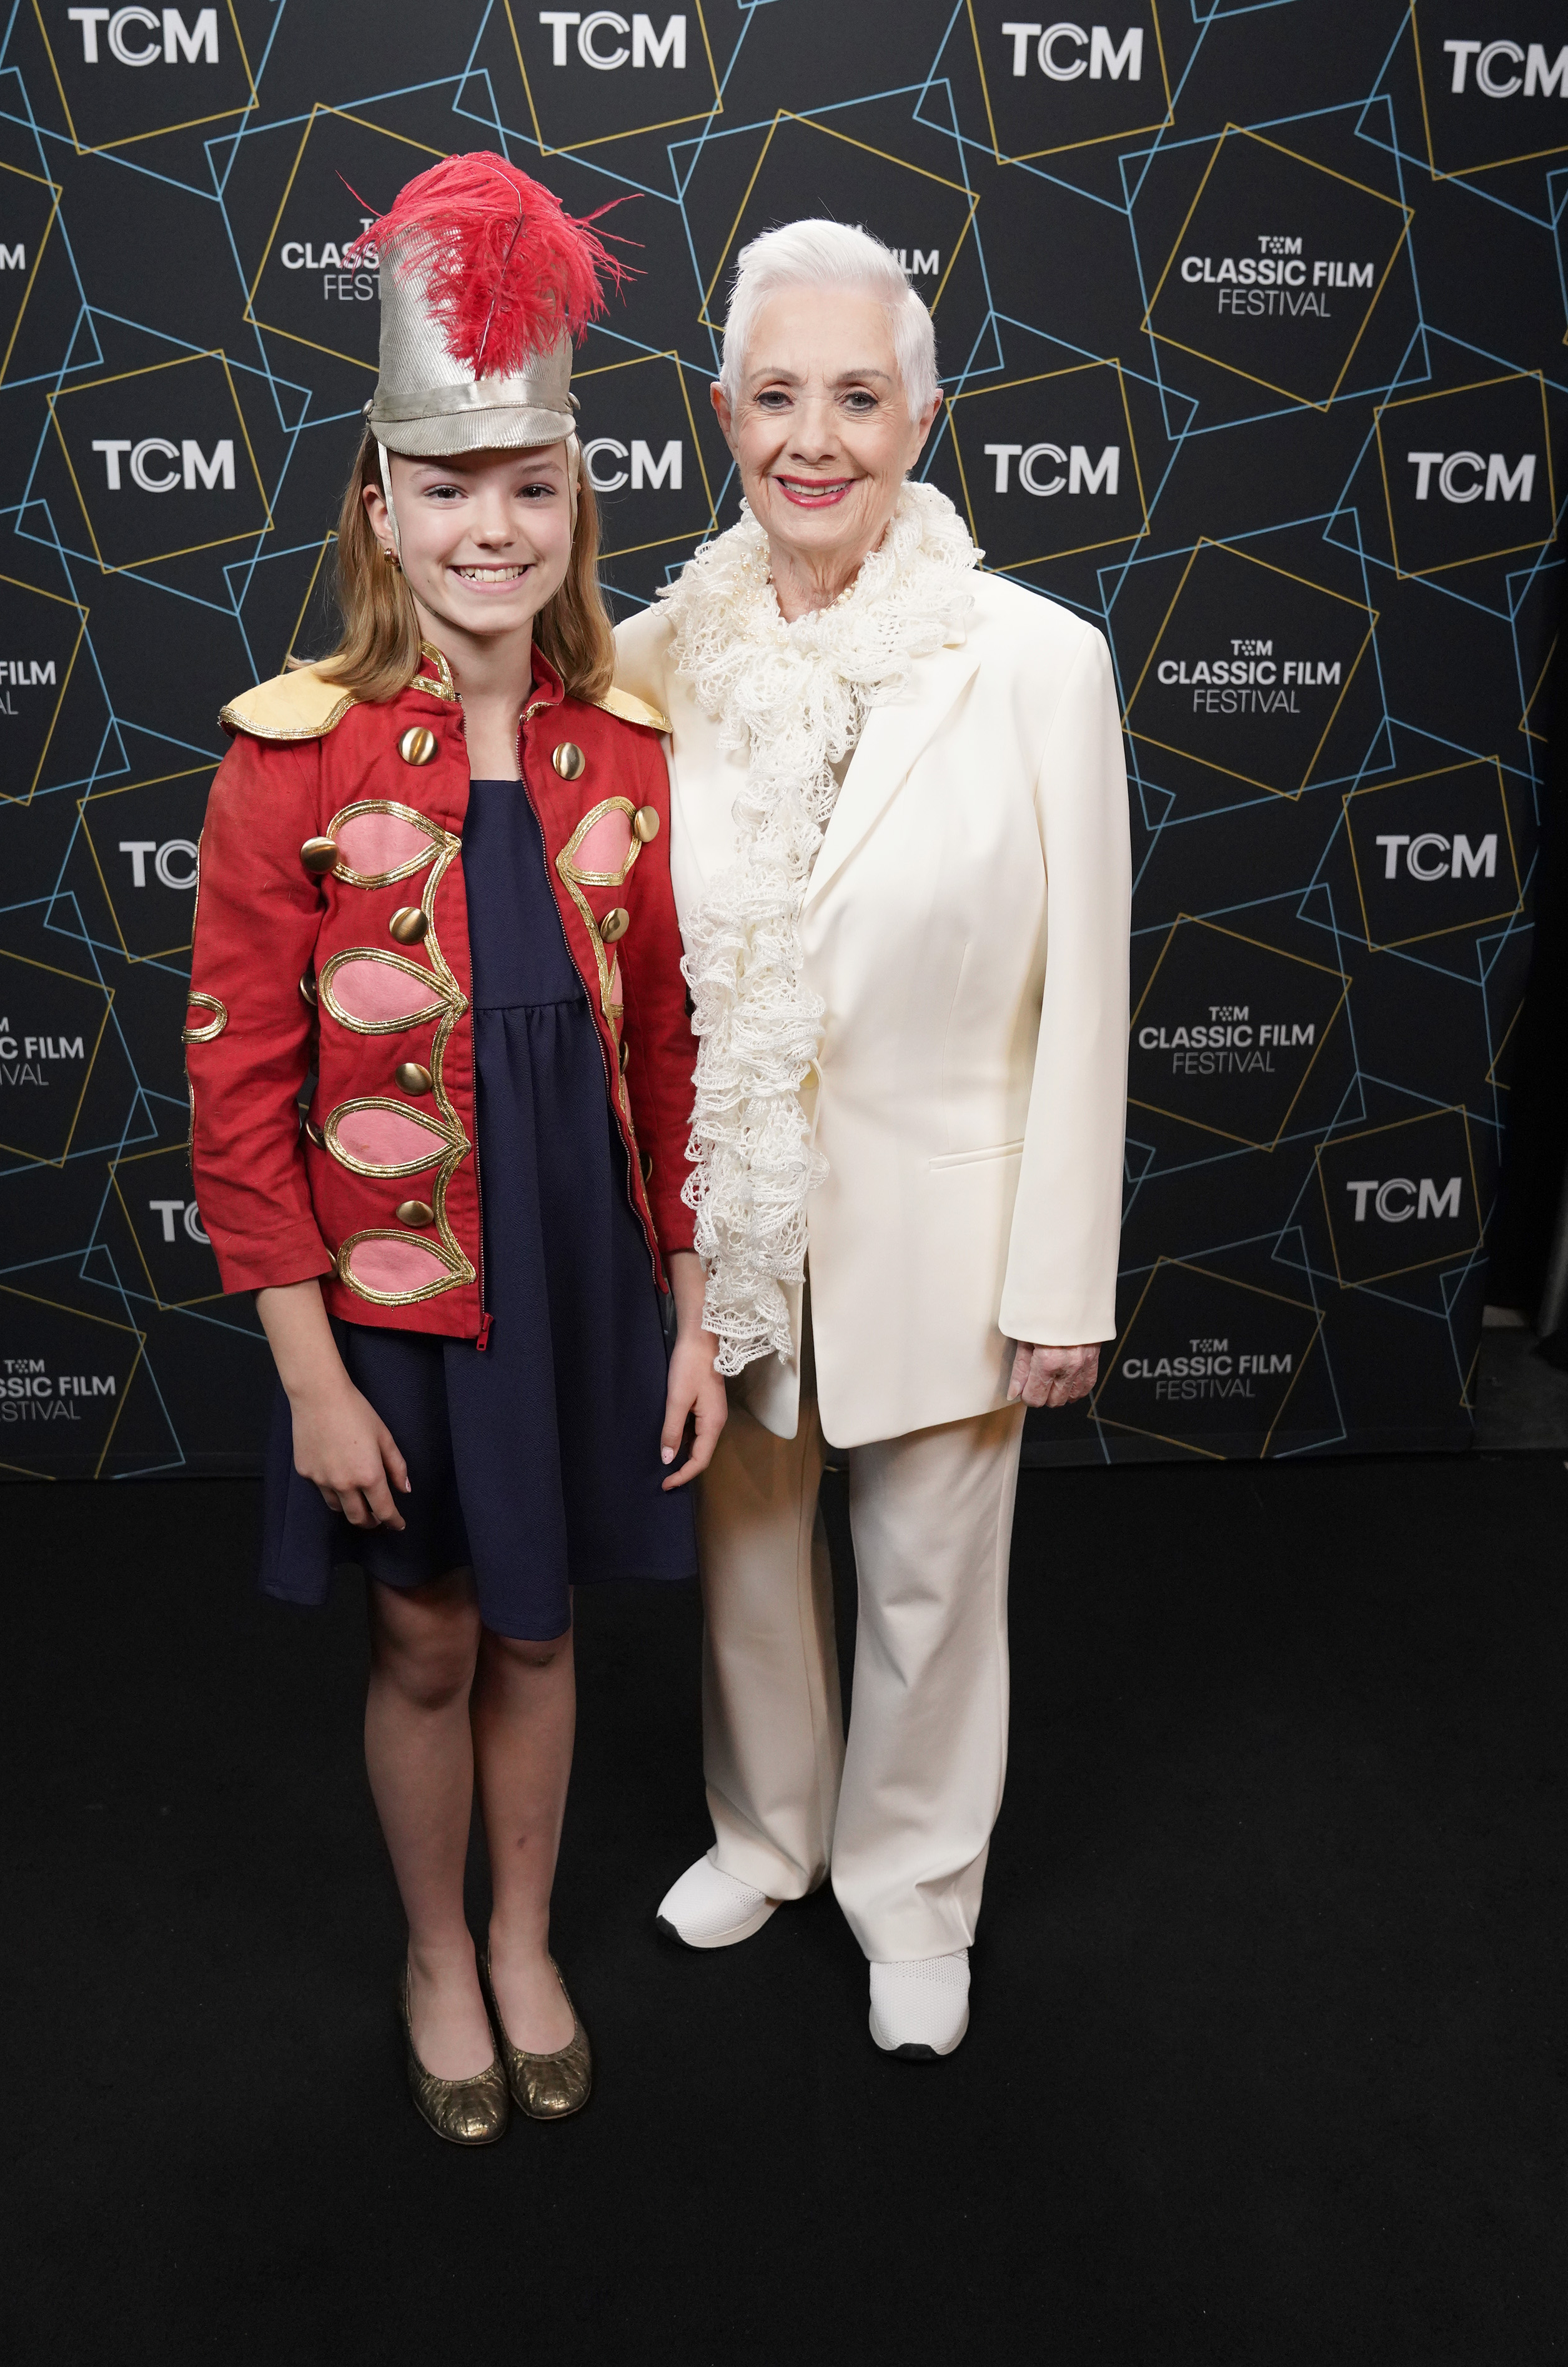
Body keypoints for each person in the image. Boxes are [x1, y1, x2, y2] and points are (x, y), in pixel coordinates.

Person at [186, 155, 725, 2145]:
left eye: (530, 485)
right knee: (422, 1626)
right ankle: (433, 1947)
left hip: (581, 1285)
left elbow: (670, 1060)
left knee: (544, 1621)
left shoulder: (634, 752)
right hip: (392, 1318)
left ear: (577, 500)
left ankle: (523, 1933)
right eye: (446, 486)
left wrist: (688, 1315)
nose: (488, 530)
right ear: (379, 507)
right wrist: (312, 1375)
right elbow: (236, 1096)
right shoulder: (290, 756)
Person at [612, 219, 1130, 2060]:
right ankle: (765, 1831)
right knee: (753, 1550)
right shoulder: (655, 655)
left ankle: (913, 1889)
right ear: (721, 417)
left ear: (926, 411)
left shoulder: (1038, 664)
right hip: (734, 1232)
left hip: (948, 1223)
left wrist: (1065, 1273)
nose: (813, 437)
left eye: (856, 394)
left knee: (927, 1574)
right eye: (775, 396)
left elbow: (1087, 997)